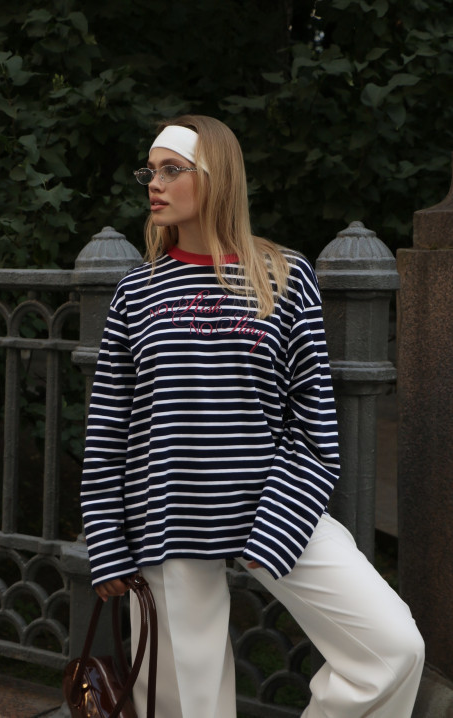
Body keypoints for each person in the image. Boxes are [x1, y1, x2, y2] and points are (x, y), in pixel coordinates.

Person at [80, 115, 424, 718]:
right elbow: (109, 428)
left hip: (274, 503)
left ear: (216, 175)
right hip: (167, 516)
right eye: (149, 171)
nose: (153, 184)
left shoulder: (284, 276)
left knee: (393, 649)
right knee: (188, 709)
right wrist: (106, 539)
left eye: (171, 169)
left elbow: (313, 424)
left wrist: (276, 528)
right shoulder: (136, 292)